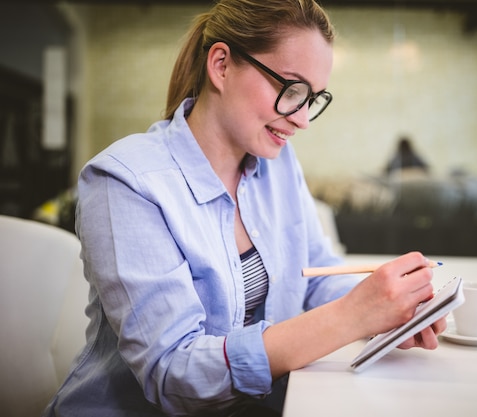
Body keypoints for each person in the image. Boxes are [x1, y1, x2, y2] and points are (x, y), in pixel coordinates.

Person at [43, 1, 447, 416]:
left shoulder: (278, 163)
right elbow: (172, 372)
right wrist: (351, 317)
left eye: (313, 97)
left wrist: (389, 313)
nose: (303, 119)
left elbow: (317, 276)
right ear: (220, 65)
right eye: (291, 89)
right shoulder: (126, 182)